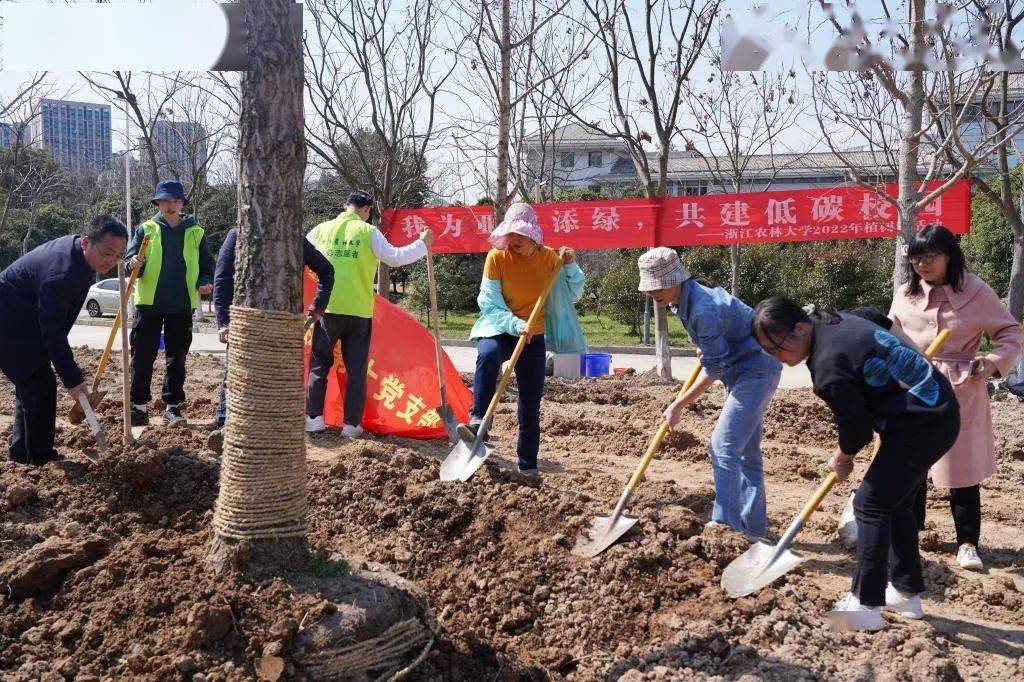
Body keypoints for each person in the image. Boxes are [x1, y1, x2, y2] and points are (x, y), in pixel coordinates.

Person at [751, 297, 960, 631]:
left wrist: (842, 458)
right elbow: (879, 318)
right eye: (766, 350)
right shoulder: (838, 317)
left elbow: (857, 429)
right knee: (895, 506)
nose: (774, 356)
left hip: (921, 426)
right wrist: (921, 362)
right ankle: (905, 592)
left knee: (870, 506)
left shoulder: (828, 369)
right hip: (935, 411)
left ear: (800, 329)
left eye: (775, 348)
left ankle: (866, 604)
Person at [889, 225, 1024, 571]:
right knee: (911, 466)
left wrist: (992, 363)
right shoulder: (907, 293)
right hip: (914, 385)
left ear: (950, 255)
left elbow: (1009, 331)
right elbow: (889, 334)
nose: (922, 264)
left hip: (961, 387)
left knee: (962, 470)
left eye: (930, 256)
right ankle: (912, 532)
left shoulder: (976, 291)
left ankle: (967, 543)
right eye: (916, 257)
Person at [637, 247, 781, 541]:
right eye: (650, 290)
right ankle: (754, 531)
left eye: (659, 287)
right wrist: (710, 346)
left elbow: (714, 368)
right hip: (745, 368)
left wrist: (680, 402)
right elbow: (721, 343)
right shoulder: (684, 299)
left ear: (676, 279)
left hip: (755, 371)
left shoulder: (701, 307)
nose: (654, 295)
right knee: (745, 454)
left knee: (723, 447)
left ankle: (724, 526)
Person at [464, 202, 580, 480]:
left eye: (520, 235)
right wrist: (516, 324)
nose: (514, 240)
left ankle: (527, 463)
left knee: (530, 403)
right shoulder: (497, 257)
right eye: (510, 234)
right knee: (488, 355)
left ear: (533, 236)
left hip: (534, 336)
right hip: (500, 327)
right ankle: (479, 418)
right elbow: (489, 302)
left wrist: (571, 266)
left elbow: (573, 292)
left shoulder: (550, 259)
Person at [0, 215, 129, 464]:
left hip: (23, 319)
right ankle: (38, 458)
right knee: (38, 387)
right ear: (85, 243)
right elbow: (53, 331)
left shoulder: (77, 258)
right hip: (9, 322)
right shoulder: (61, 274)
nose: (111, 261)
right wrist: (74, 380)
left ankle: (22, 454)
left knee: (34, 385)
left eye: (118, 255)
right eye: (107, 253)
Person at [304, 190, 433, 436]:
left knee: (319, 365)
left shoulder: (320, 230)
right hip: (358, 312)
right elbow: (395, 257)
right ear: (367, 210)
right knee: (356, 371)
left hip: (326, 309)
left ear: (345, 206)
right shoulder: (368, 232)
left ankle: (313, 419)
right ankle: (351, 425)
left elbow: (299, 253)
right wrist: (422, 244)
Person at [212, 227, 335, 430]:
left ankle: (272, 426)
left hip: (283, 325)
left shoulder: (295, 240)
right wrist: (223, 322)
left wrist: (318, 307)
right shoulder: (238, 236)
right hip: (246, 322)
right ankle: (225, 424)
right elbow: (222, 279)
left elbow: (327, 271)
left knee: (278, 380)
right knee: (236, 375)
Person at [125, 180, 215, 427]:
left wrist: (205, 282)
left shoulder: (195, 232)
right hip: (149, 303)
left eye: (175, 201)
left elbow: (207, 267)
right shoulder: (146, 229)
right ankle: (139, 407)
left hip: (182, 304)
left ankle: (172, 407)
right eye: (165, 200)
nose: (171, 205)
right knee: (142, 357)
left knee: (177, 359)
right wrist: (132, 264)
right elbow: (129, 261)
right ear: (158, 202)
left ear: (182, 203)